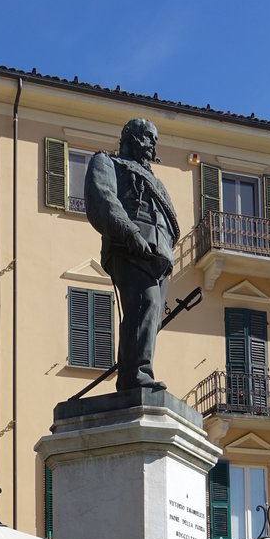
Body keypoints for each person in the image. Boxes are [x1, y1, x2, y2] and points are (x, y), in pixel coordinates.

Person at [84, 118, 181, 391]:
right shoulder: (108, 163)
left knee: (150, 317)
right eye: (149, 137)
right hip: (130, 247)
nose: (153, 144)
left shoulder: (154, 180)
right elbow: (103, 199)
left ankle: (131, 371)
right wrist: (130, 233)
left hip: (158, 256)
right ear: (132, 136)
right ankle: (136, 375)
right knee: (145, 304)